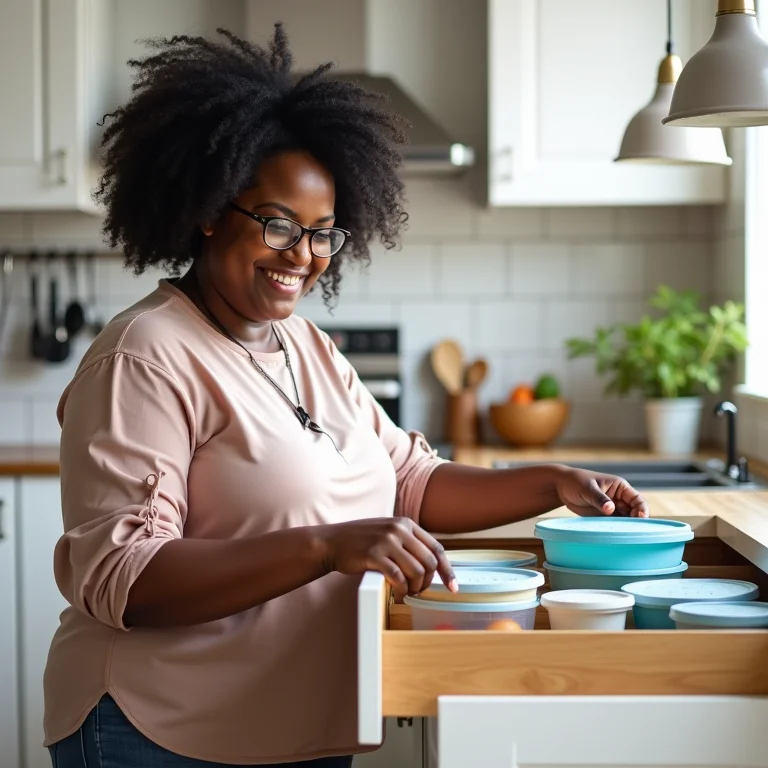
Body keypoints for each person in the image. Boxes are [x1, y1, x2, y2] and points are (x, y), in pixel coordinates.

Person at [44, 25, 648, 768]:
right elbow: (124, 577)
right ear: (207, 209)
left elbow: (411, 482)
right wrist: (329, 546)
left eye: (323, 233)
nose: (302, 254)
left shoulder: (307, 346)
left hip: (296, 724)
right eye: (277, 224)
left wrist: (553, 484)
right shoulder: (147, 355)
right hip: (162, 730)